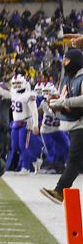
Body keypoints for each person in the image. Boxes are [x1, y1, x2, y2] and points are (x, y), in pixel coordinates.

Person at [41, 47, 83, 204]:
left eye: (67, 60)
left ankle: (59, 192)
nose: (64, 63)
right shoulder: (69, 78)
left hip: (81, 125)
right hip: (73, 125)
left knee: (73, 159)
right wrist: (54, 102)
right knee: (77, 161)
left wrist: (64, 102)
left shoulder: (81, 77)